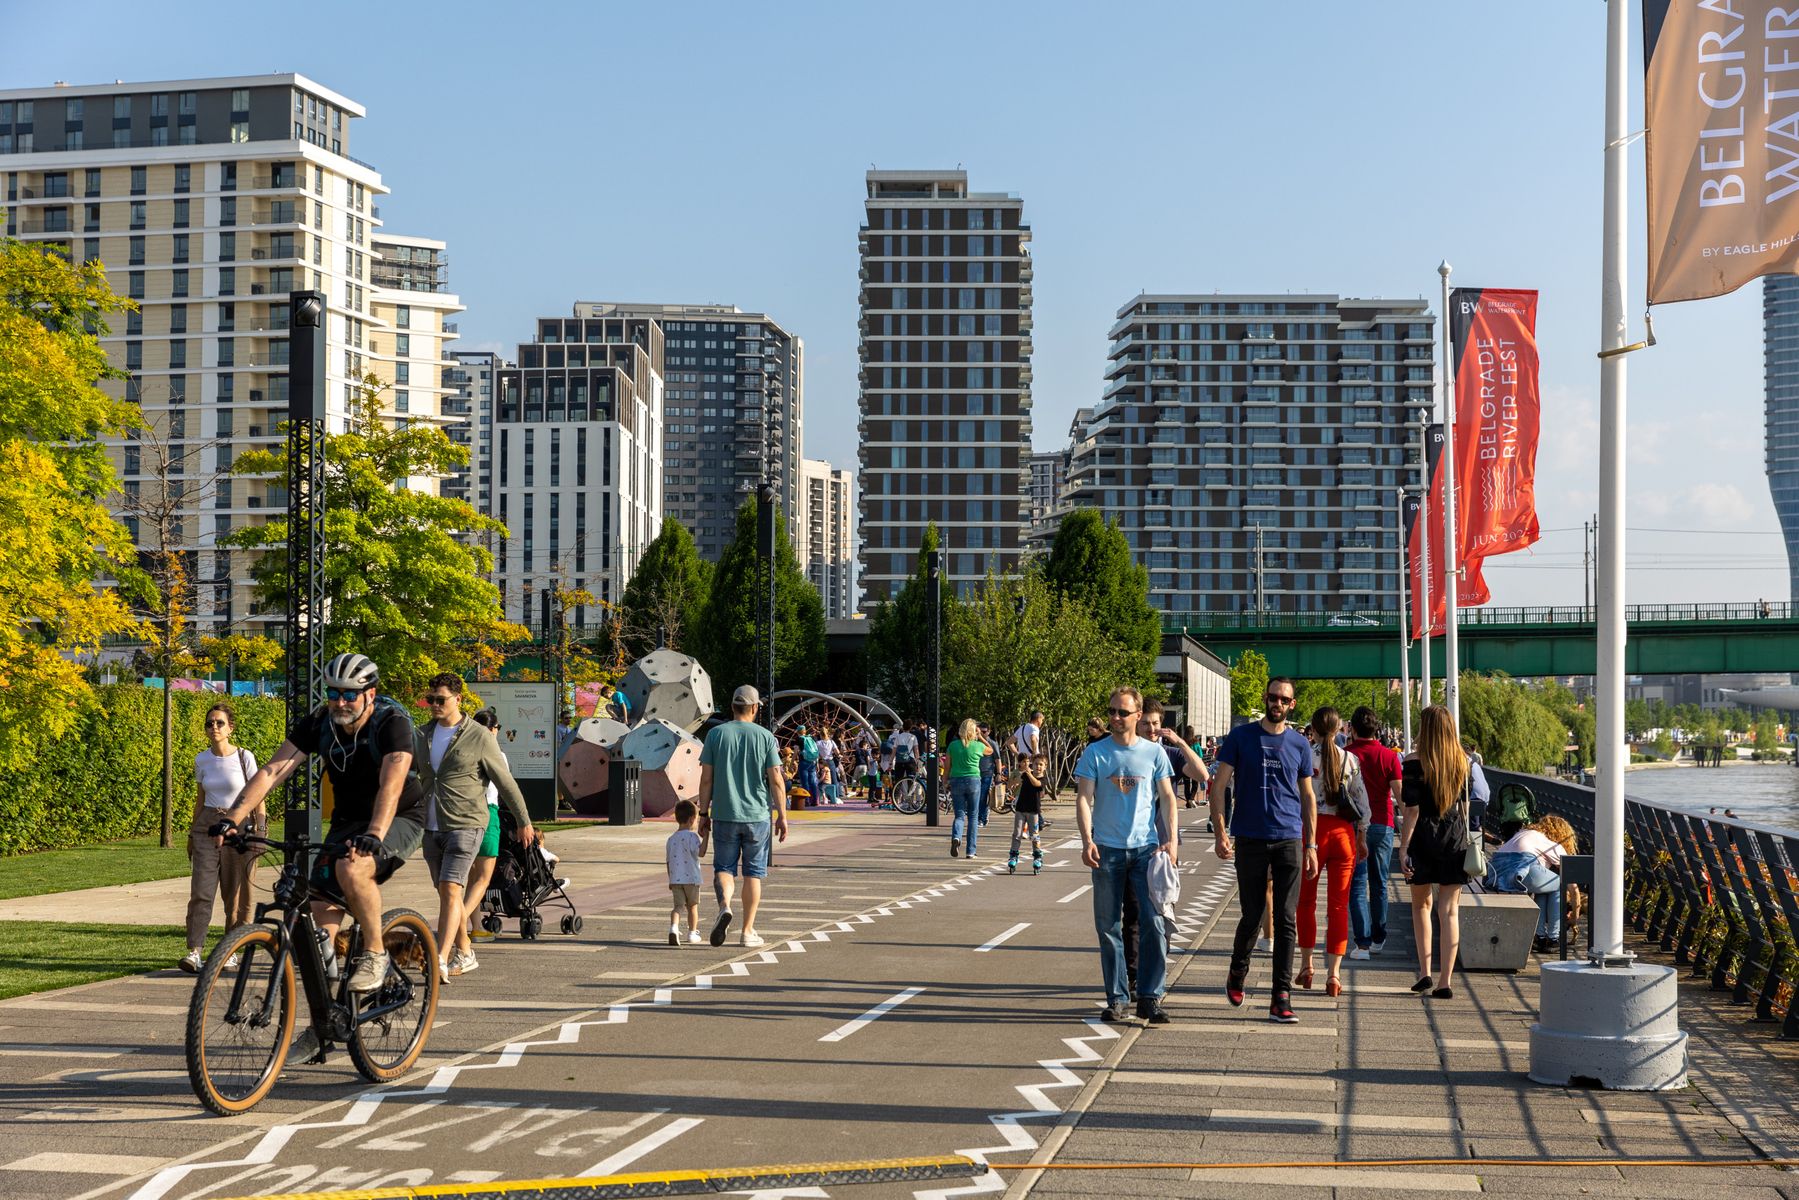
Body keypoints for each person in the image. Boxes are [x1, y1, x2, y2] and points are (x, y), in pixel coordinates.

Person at [211, 652, 427, 993]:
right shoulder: (320, 722)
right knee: (318, 909)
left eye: (349, 694)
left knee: (353, 868)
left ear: (370, 693)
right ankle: (328, 1013)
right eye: (332, 693)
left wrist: (374, 833)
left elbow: (392, 783)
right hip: (348, 818)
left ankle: (375, 953)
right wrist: (233, 818)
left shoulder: (391, 723)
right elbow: (272, 770)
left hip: (399, 816)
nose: (340, 702)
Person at [1208, 677, 1318, 1024]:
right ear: (1266, 699)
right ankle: (1238, 970)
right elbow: (1219, 786)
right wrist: (1220, 833)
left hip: (1288, 838)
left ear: (1292, 705)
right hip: (1251, 838)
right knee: (1253, 915)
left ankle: (1280, 997)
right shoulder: (1241, 738)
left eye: (1284, 700)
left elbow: (1308, 796)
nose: (1277, 704)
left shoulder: (1300, 744)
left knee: (1286, 919)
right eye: (1273, 697)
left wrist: (1311, 844)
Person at [417, 673, 533, 982]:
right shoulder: (422, 735)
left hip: (467, 823)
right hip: (432, 826)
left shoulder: (478, 736)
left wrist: (524, 821)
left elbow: (505, 782)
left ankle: (439, 959)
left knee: (451, 888)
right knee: (447, 896)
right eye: (431, 700)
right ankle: (466, 952)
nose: (434, 705)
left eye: (440, 700)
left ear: (458, 699)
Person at [1075, 687, 1178, 1025]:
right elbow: (1084, 798)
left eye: (1122, 712)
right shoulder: (1095, 753)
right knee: (1109, 927)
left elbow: (1167, 798)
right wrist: (1086, 839)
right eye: (1112, 712)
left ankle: (1150, 996)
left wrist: (1172, 842)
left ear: (1137, 715)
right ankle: (1118, 998)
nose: (1116, 718)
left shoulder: (1154, 753)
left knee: (1153, 923)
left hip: (1146, 850)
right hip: (1107, 851)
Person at [1122, 699, 1210, 997]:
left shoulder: (1169, 753)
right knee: (1133, 912)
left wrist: (1178, 741)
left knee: (1161, 910)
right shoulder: (1127, 753)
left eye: (1156, 723)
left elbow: (1202, 775)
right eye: (1145, 722)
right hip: (1131, 843)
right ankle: (1133, 977)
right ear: (1136, 721)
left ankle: (1155, 975)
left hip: (1164, 845)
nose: (1151, 728)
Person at [697, 685, 788, 948]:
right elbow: (776, 780)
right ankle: (748, 932)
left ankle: (725, 906)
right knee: (753, 874)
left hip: (724, 814)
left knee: (723, 869)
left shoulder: (715, 735)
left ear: (733, 706)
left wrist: (703, 813)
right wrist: (782, 815)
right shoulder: (765, 737)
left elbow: (706, 780)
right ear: (755, 708)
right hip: (757, 815)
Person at [181, 703, 263, 973]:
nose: (213, 727)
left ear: (230, 727)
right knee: (201, 891)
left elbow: (257, 794)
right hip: (207, 825)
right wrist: (193, 833)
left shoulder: (244, 757)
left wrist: (260, 827)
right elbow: (200, 798)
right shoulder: (201, 760)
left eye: (219, 722)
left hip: (239, 826)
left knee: (236, 893)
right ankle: (194, 952)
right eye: (209, 723)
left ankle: (231, 949)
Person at [1400, 705, 1473, 1000]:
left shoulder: (1413, 762)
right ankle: (1446, 981)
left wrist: (1403, 847)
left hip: (1422, 839)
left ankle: (1425, 971)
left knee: (1421, 906)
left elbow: (1412, 810)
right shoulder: (1462, 763)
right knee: (1449, 910)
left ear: (1425, 729)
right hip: (1454, 837)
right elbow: (1467, 807)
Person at [1297, 707, 1369, 998]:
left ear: (1311, 730)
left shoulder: (1304, 756)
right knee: (1339, 906)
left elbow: (1296, 796)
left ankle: (1306, 965)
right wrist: (1362, 836)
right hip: (1342, 834)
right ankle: (1335, 973)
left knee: (1306, 902)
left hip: (1311, 834)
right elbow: (1362, 804)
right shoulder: (1349, 759)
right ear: (1340, 729)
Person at [1345, 705, 1403, 960]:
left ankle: (1363, 944)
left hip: (1352, 825)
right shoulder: (1389, 757)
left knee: (1357, 885)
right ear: (1376, 729)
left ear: (1353, 730)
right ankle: (1380, 937)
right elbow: (1400, 796)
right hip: (1382, 824)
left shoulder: (1344, 755)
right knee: (1380, 883)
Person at [1487, 814, 1579, 953]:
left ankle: (1540, 937)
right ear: (1561, 833)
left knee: (1544, 887)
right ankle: (1553, 939)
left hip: (1497, 873)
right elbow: (1573, 887)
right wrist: (1575, 915)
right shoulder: (1551, 844)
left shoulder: (1523, 833)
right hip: (1520, 869)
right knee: (1559, 886)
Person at [458, 707, 504, 948]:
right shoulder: (495, 752)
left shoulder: (462, 750)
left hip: (463, 815)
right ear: (492, 729)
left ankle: (475, 928)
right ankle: (458, 921)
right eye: (497, 728)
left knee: (471, 876)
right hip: (488, 813)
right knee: (484, 877)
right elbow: (505, 786)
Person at [947, 718, 991, 858]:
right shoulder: (977, 746)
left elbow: (947, 766)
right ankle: (971, 851)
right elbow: (990, 750)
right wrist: (980, 737)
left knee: (959, 814)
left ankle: (956, 837)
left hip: (956, 780)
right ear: (974, 731)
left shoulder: (953, 746)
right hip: (973, 780)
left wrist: (944, 781)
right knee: (973, 815)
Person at [666, 799, 706, 946]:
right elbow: (701, 853)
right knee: (692, 907)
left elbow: (668, 861)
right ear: (691, 819)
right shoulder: (692, 837)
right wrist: (706, 836)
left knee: (678, 907)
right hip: (692, 879)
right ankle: (692, 933)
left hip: (676, 879)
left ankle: (673, 929)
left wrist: (670, 879)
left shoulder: (671, 839)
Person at [1009, 753, 1048, 875]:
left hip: (1033, 811)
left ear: (1045, 767)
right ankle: (1013, 856)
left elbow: (1037, 784)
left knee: (1034, 835)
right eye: (1036, 764)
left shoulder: (1042, 779)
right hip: (1021, 809)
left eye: (1041, 765)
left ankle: (1037, 857)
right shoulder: (1026, 775)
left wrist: (1029, 774)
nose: (1038, 767)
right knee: (1017, 833)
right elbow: (1011, 783)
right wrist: (1017, 778)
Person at [976, 723, 1000, 828]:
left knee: (982, 796)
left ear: (989, 732)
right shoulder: (975, 743)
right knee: (976, 796)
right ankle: (981, 816)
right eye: (979, 731)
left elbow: (997, 759)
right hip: (976, 773)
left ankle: (981, 818)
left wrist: (998, 773)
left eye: (984, 731)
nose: (981, 733)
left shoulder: (992, 744)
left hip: (987, 773)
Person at [795, 724, 821, 807]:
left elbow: (796, 752)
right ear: (805, 731)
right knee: (813, 782)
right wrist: (816, 763)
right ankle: (816, 801)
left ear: (797, 732)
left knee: (804, 782)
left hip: (803, 762)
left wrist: (792, 763)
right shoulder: (811, 738)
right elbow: (815, 751)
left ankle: (806, 801)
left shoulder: (799, 739)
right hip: (812, 762)